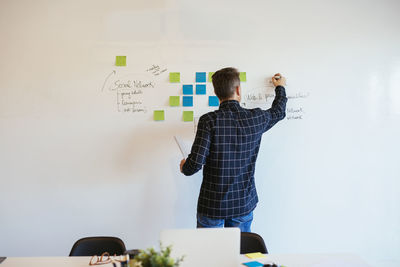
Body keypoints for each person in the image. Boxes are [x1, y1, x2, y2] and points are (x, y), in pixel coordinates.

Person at [180, 67, 287, 232]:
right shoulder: (256, 118)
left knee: (208, 254)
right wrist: (280, 87)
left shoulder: (208, 121)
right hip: (242, 203)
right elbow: (279, 112)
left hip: (212, 205)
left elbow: (193, 165)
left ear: (216, 93)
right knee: (241, 253)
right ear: (238, 89)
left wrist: (184, 166)